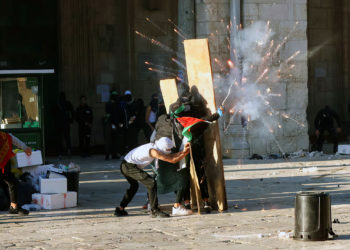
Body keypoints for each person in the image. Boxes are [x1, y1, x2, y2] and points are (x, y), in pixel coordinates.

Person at [169, 87, 224, 213]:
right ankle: (195, 201)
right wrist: (217, 115)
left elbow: (201, 122)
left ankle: (200, 201)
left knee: (195, 173)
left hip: (188, 145)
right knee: (192, 174)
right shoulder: (180, 113)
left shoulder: (178, 111)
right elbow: (202, 122)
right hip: (189, 145)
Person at [114, 137, 190, 218]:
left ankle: (120, 209)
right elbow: (172, 160)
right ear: (163, 147)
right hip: (128, 166)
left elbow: (170, 156)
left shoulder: (155, 147)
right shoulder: (153, 151)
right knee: (151, 182)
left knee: (134, 186)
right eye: (168, 149)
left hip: (126, 165)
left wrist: (183, 152)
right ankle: (154, 210)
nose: (169, 150)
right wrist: (185, 153)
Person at [0, 131, 32, 215]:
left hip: (4, 165)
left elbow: (12, 138)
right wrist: (25, 148)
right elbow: (12, 138)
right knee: (10, 182)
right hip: (3, 165)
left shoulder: (4, 137)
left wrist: (25, 148)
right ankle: (13, 206)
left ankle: (14, 206)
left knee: (11, 182)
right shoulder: (4, 136)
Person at [104, 90, 122, 160]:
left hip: (113, 124)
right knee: (111, 140)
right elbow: (110, 115)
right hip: (111, 124)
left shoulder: (114, 103)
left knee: (114, 140)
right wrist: (112, 124)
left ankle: (113, 154)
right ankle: (108, 154)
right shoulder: (112, 104)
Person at [55, 92, 74, 156]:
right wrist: (71, 120)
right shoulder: (68, 103)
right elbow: (73, 112)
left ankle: (60, 152)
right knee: (67, 137)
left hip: (59, 124)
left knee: (59, 138)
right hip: (66, 123)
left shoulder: (57, 104)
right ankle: (68, 150)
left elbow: (51, 113)